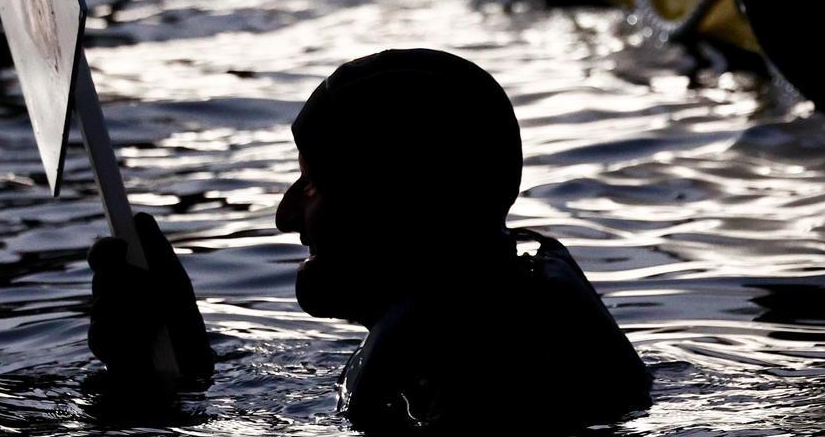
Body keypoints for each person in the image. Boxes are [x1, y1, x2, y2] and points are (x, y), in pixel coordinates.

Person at [88, 48, 651, 430]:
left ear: (396, 203)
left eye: (313, 182)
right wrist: (184, 375)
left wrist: (142, 411)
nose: (286, 215)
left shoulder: (487, 384)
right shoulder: (485, 332)